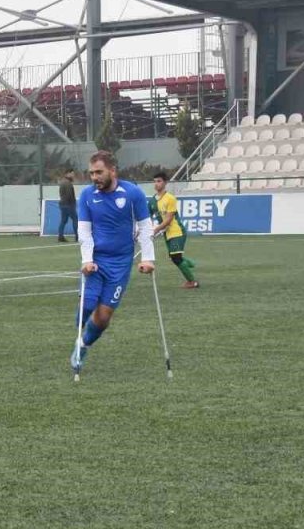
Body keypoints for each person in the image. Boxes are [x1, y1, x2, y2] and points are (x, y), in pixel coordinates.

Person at [71, 151, 155, 378]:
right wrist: (87, 260)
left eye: (99, 172)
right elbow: (84, 231)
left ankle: (84, 345)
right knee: (87, 306)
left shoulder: (132, 193)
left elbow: (145, 226)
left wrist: (147, 258)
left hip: (120, 262)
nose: (94, 177)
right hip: (96, 260)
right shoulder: (87, 196)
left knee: (104, 317)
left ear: (112, 171)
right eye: (91, 173)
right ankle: (77, 338)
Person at [150, 171, 199, 289]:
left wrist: (156, 229)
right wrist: (148, 227)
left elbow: (168, 220)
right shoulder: (152, 201)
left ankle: (192, 282)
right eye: (154, 181)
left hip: (177, 232)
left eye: (159, 181)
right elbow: (147, 216)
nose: (156, 184)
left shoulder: (170, 198)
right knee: (174, 257)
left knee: (176, 258)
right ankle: (190, 264)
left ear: (165, 183)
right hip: (167, 233)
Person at [57, 169, 78, 243]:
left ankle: (60, 236)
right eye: (72, 174)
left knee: (63, 221)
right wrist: (73, 204)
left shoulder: (62, 182)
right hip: (68, 205)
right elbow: (69, 195)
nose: (73, 175)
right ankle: (77, 236)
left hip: (62, 204)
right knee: (75, 219)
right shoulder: (68, 183)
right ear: (68, 174)